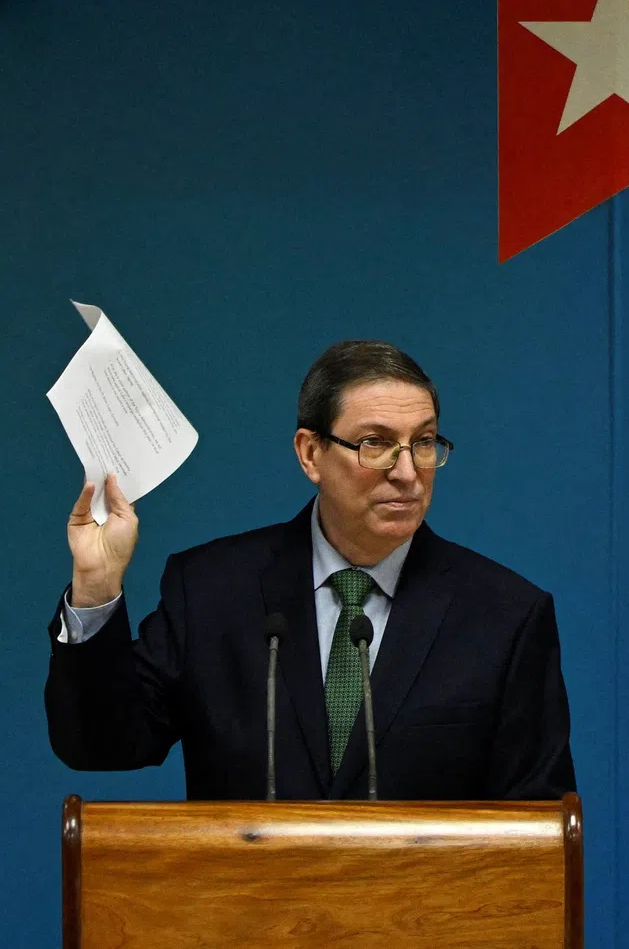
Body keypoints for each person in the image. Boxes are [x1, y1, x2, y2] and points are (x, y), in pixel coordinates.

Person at [45, 341, 575, 800]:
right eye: (377, 445)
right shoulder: (211, 591)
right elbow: (100, 745)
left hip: (423, 916)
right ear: (310, 453)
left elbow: (537, 832)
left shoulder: (505, 616)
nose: (409, 472)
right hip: (248, 912)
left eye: (424, 443)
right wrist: (96, 586)